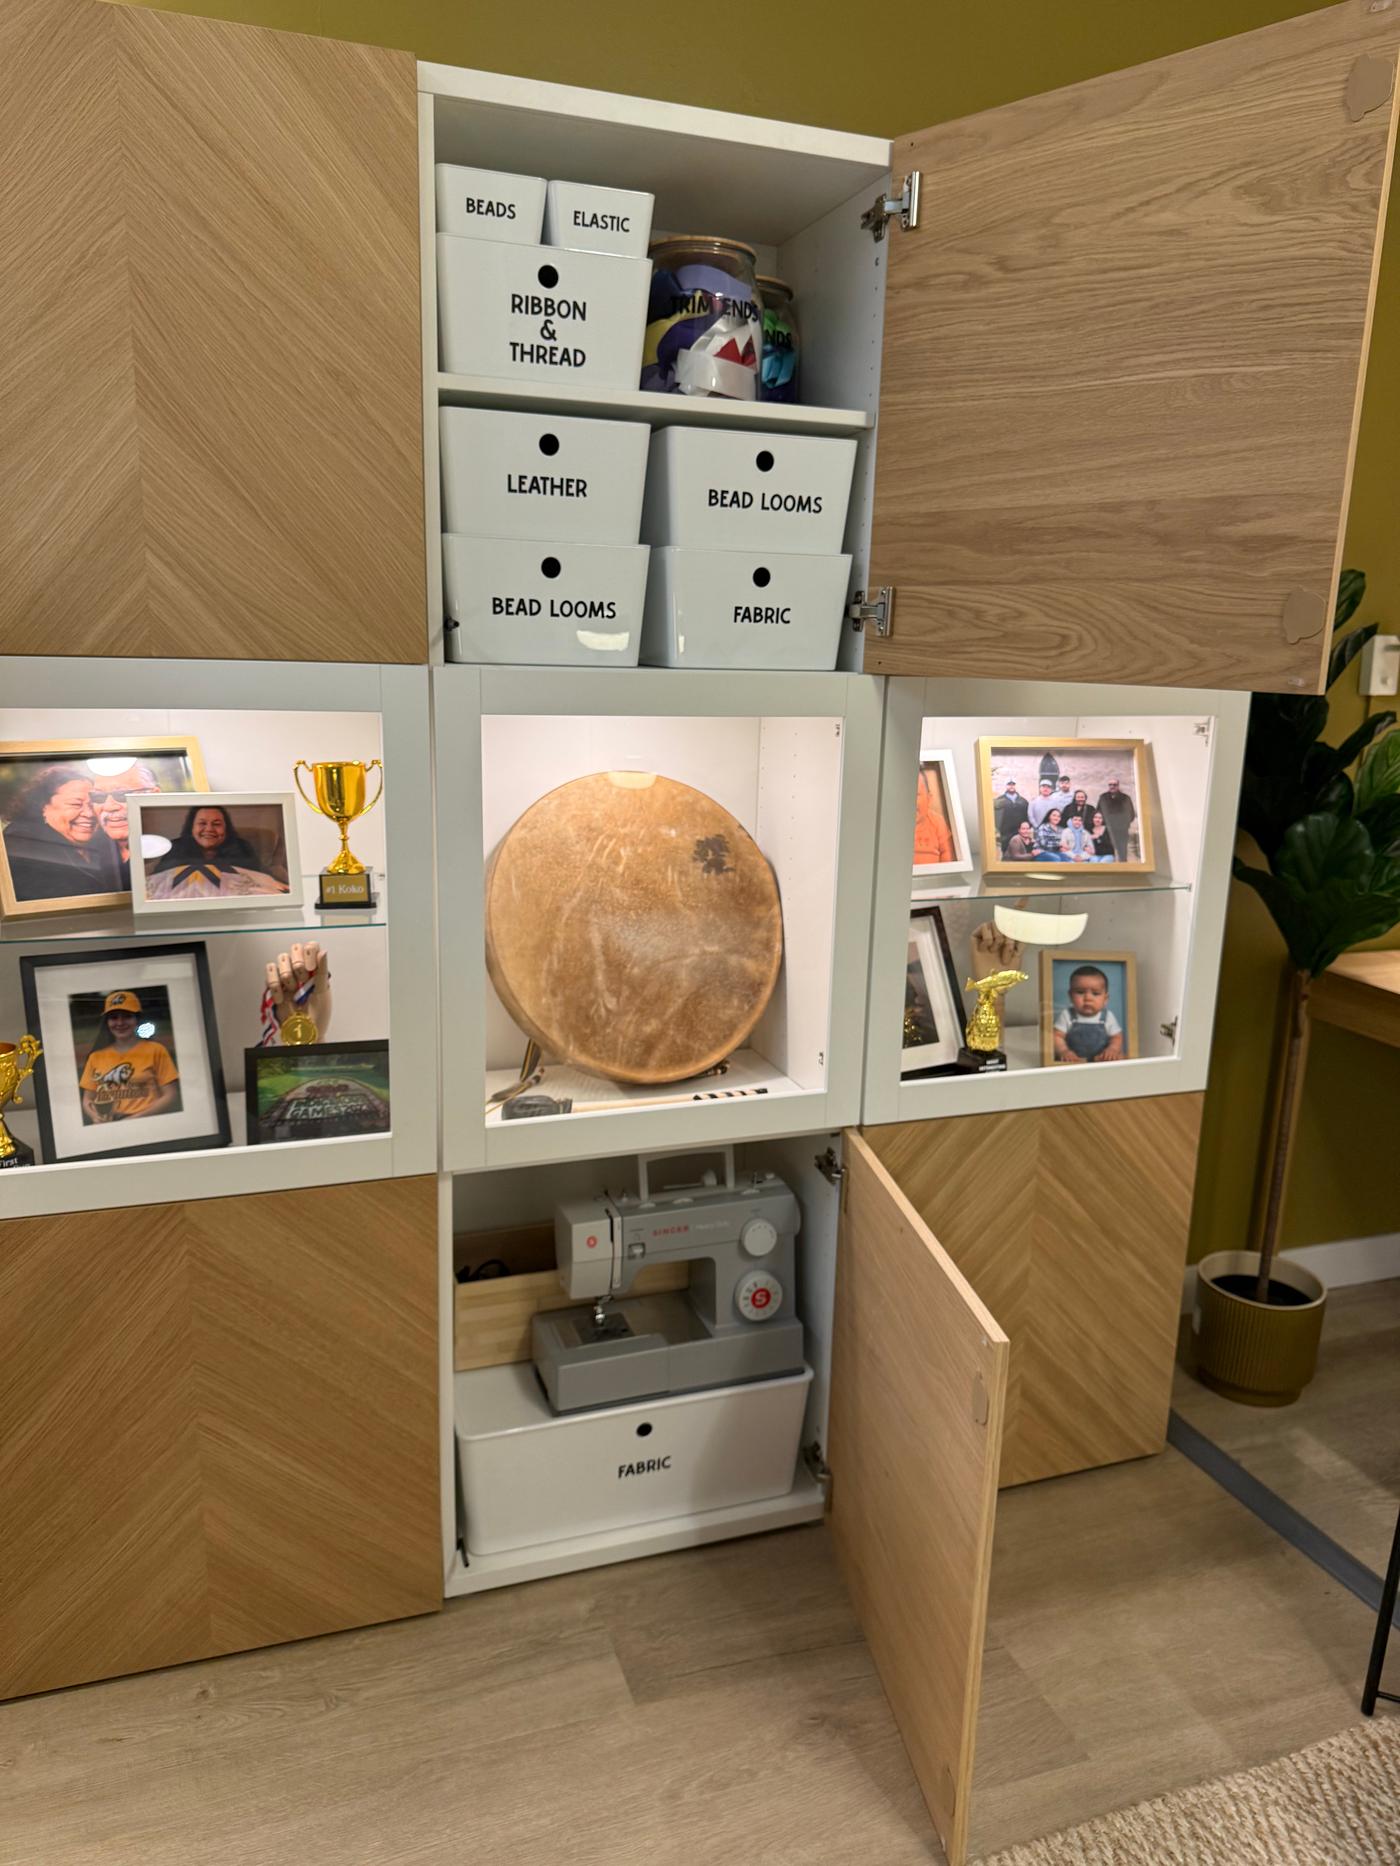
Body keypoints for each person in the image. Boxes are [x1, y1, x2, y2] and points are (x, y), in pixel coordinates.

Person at [1, 766, 118, 902]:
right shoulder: (21, 844)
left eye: (93, 805)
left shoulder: (108, 841)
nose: (89, 814)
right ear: (43, 807)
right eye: (75, 804)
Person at [145, 805, 287, 899]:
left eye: (217, 824)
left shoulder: (242, 846)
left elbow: (257, 880)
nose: (209, 829)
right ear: (191, 828)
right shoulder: (175, 846)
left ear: (226, 828)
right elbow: (160, 883)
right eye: (202, 823)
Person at [79, 991, 181, 1122]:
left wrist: (135, 1119)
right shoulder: (95, 1057)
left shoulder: (156, 1050)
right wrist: (95, 1116)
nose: (120, 1022)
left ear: (137, 1019)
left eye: (127, 1016)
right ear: (107, 1022)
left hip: (147, 1122)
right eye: (114, 1017)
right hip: (109, 1124)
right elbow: (88, 1099)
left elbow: (171, 1095)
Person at [92, 763, 164, 886]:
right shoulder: (87, 851)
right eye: (98, 796)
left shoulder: (176, 849)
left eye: (122, 795)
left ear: (154, 795)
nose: (109, 806)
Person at [1053, 964, 1125, 1063]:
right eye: (1080, 992)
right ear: (1070, 996)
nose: (1088, 998)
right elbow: (1057, 1036)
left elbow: (1117, 1037)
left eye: (1095, 993)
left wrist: (1113, 1049)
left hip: (1101, 1061)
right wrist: (1063, 1051)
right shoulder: (1067, 1015)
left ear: (1105, 999)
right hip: (1074, 1062)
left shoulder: (1108, 1016)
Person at [913, 767, 955, 866]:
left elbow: (946, 851)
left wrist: (945, 870)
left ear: (929, 799)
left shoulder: (937, 821)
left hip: (935, 875)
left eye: (916, 794)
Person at [1095, 776, 1138, 863]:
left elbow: (1131, 814)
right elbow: (1098, 812)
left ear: (1118, 786)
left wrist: (1124, 824)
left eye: (1114, 785)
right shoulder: (1103, 797)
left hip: (1121, 829)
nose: (1112, 786)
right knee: (1109, 851)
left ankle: (1123, 868)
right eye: (1110, 785)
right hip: (1107, 829)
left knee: (1122, 851)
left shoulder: (1125, 798)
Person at [993, 779, 1029, 851]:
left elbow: (1027, 816)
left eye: (1013, 784)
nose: (1011, 786)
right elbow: (994, 816)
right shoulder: (999, 800)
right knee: (1007, 852)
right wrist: (998, 828)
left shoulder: (1023, 801)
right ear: (1006, 786)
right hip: (1005, 832)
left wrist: (1026, 828)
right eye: (1009, 784)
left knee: (1021, 851)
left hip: (1020, 832)